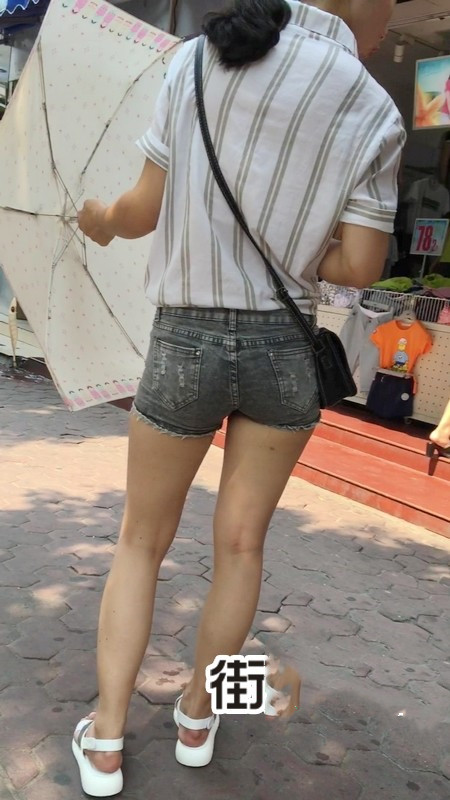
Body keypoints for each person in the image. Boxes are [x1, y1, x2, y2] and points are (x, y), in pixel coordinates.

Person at [74, 0, 403, 795]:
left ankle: (107, 741)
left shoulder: (200, 58)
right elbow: (359, 268)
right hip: (283, 350)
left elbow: (140, 211)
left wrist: (102, 220)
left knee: (140, 543)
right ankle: (197, 717)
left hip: (184, 338)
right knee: (243, 548)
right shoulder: (376, 107)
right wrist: (300, 243)